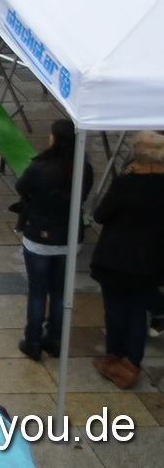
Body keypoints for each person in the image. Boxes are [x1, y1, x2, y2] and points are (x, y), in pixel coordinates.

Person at [12, 120, 92, 362]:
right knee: (59, 292)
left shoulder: (41, 167)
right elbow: (84, 195)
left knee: (38, 292)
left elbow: (20, 186)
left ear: (56, 139)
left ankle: (33, 341)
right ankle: (55, 340)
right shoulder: (83, 168)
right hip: (69, 238)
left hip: (39, 237)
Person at [90, 130, 164, 389]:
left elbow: (101, 214)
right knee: (136, 312)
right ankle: (131, 364)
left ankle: (114, 355)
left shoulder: (127, 181)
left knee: (115, 309)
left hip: (117, 257)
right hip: (151, 260)